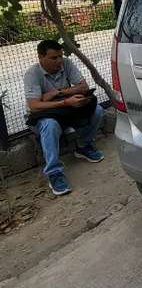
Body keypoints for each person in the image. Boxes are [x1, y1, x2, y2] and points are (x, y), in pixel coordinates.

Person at [24, 39, 104, 196]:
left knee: (98, 110)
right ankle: (54, 172)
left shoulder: (66, 63)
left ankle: (84, 146)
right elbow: (35, 106)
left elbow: (83, 87)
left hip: (65, 109)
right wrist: (67, 100)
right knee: (50, 125)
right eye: (54, 58)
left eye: (60, 56)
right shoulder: (32, 74)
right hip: (42, 116)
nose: (59, 61)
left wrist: (58, 93)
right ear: (40, 57)